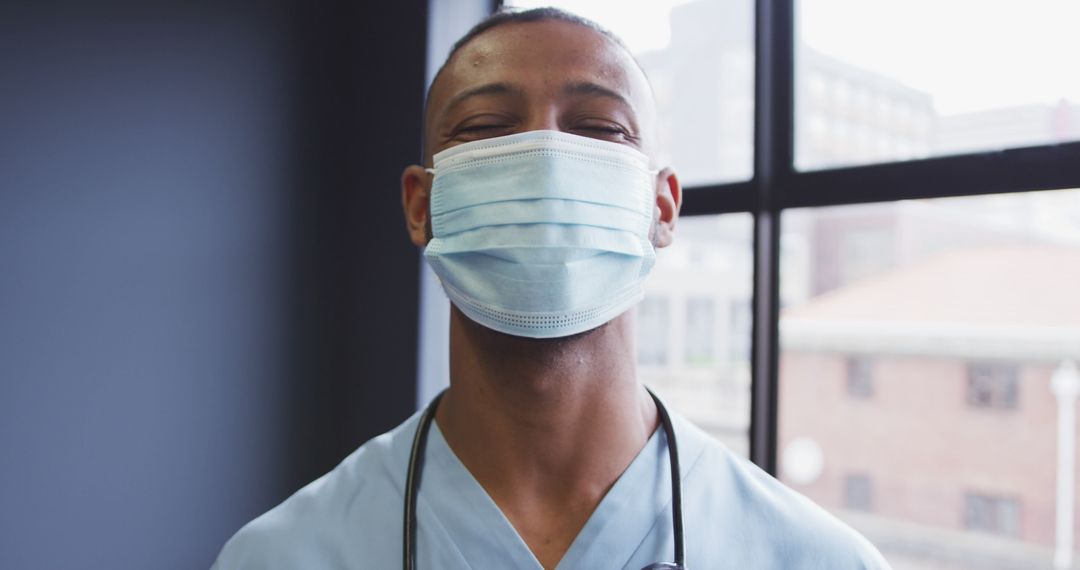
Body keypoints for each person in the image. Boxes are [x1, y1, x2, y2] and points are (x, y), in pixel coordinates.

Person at [212, 8, 890, 569]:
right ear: (422, 205)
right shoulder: (282, 557)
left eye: (599, 128)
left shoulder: (816, 558)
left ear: (661, 210)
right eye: (484, 128)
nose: (546, 161)